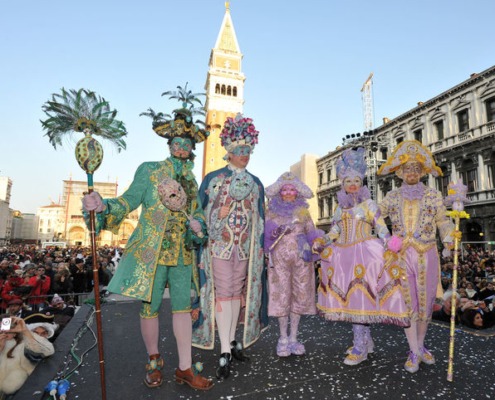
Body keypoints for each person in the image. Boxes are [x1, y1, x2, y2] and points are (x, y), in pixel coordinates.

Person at [82, 86, 213, 391]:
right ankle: (153, 360)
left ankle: (184, 368)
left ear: (192, 148)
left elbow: (200, 217)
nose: (181, 147)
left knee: (182, 310)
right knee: (149, 308)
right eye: (177, 142)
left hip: (182, 255)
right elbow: (127, 201)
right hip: (150, 256)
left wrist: (199, 228)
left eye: (186, 143)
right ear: (170, 145)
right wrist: (103, 205)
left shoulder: (193, 182)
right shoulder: (150, 171)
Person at [314, 147, 409, 366]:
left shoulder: (369, 205)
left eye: (356, 180)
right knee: (353, 299)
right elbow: (335, 232)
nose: (352, 185)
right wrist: (322, 241)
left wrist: (391, 242)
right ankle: (365, 340)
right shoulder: (339, 208)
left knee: (360, 298)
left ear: (362, 182)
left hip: (365, 255)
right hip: (343, 256)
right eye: (348, 182)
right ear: (343, 185)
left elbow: (381, 228)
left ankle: (360, 347)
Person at [193, 113, 267, 379]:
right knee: (224, 292)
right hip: (220, 248)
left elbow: (260, 217)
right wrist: (217, 215)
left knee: (237, 292)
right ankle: (225, 348)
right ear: (230, 152)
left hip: (244, 249)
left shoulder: (256, 184)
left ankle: (233, 340)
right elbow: (198, 215)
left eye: (248, 150)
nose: (245, 155)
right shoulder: (213, 179)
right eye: (240, 151)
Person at [378, 140, 454, 373]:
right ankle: (413, 349)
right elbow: (376, 216)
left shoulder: (433, 195)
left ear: (421, 172)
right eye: (407, 169)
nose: (411, 172)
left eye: (416, 169)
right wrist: (386, 238)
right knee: (407, 302)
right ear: (400, 172)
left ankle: (420, 346)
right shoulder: (391, 196)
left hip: (427, 254)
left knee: (426, 303)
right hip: (400, 256)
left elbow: (442, 220)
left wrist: (449, 239)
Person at [264, 172, 322, 357]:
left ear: (297, 193)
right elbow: (264, 235)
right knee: (282, 295)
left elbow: (312, 232)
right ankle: (282, 338)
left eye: (292, 189)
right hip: (279, 258)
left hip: (301, 258)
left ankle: (294, 337)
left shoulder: (304, 213)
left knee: (300, 294)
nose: (288, 192)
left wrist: (317, 244)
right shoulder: (270, 211)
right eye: (285, 189)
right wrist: (275, 235)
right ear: (279, 192)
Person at [0, 316, 55, 396]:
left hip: (19, 391)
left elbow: (47, 350)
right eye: (36, 333)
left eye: (43, 333)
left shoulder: (25, 345)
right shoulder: (7, 344)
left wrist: (25, 331)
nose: (39, 335)